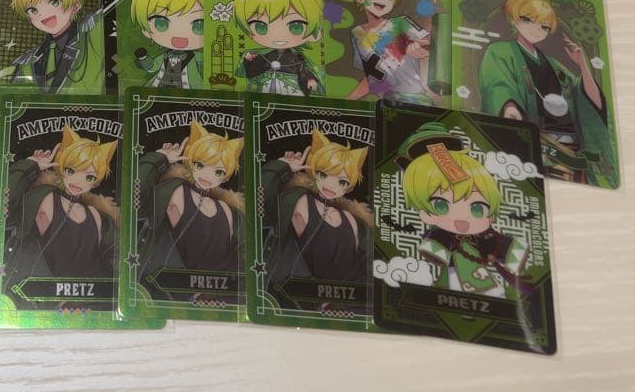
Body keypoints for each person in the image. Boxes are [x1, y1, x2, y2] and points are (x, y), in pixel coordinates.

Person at [479, 0, 612, 185]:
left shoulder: (554, 65)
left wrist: (582, 64)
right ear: (514, 20)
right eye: (527, 20)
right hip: (534, 142)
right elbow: (497, 84)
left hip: (570, 150)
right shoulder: (500, 51)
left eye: (544, 27)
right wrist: (509, 106)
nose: (536, 30)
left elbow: (590, 100)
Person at [398, 124, 526, 298]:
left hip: (485, 286)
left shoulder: (480, 238)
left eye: (477, 208)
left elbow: (497, 247)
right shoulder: (443, 236)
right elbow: (434, 250)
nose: (462, 217)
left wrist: (509, 250)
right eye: (441, 205)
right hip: (453, 283)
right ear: (426, 213)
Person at [5, 126, 119, 297]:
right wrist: (30, 165)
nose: (78, 181)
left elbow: (113, 264)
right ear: (62, 167)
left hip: (83, 299)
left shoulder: (97, 217)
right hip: (36, 295)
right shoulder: (44, 198)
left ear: (96, 181)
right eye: (71, 171)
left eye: (89, 177)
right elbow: (4, 201)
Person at [260, 130, 372, 296]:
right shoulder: (298, 199)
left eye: (342, 181)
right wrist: (281, 167)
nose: (331, 185)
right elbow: (257, 204)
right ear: (314, 172)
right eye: (324, 174)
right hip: (289, 294)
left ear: (349, 186)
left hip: (339, 300)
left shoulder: (353, 221)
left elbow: (365, 269)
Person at [136, 121, 244, 286]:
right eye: (200, 165)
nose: (208, 175)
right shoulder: (176, 191)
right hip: (169, 287)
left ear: (225, 176)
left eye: (218, 171)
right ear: (191, 162)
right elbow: (134, 196)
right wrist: (159, 159)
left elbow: (241, 258)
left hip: (215, 291)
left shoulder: (228, 210)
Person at [4, 0, 104, 92]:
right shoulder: (28, 63)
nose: (43, 14)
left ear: (75, 5)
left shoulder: (93, 32)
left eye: (54, 2)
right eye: (33, 10)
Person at [344, 0, 439, 103]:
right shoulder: (357, 33)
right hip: (385, 102)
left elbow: (430, 44)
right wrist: (350, 99)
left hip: (413, 99)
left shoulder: (400, 22)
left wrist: (415, 45)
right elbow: (371, 74)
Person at [233, 0, 321, 95]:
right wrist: (248, 60)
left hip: (291, 88)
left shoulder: (297, 56)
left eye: (295, 27)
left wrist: (310, 79)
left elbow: (303, 71)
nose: (278, 35)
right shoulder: (264, 55)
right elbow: (252, 73)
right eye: (260, 27)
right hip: (267, 86)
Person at [130, 0, 204, 88]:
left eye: (199, 26)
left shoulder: (196, 56)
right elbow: (152, 67)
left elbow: (210, 62)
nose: (180, 35)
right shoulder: (164, 56)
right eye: (161, 24)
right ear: (146, 30)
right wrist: (143, 58)